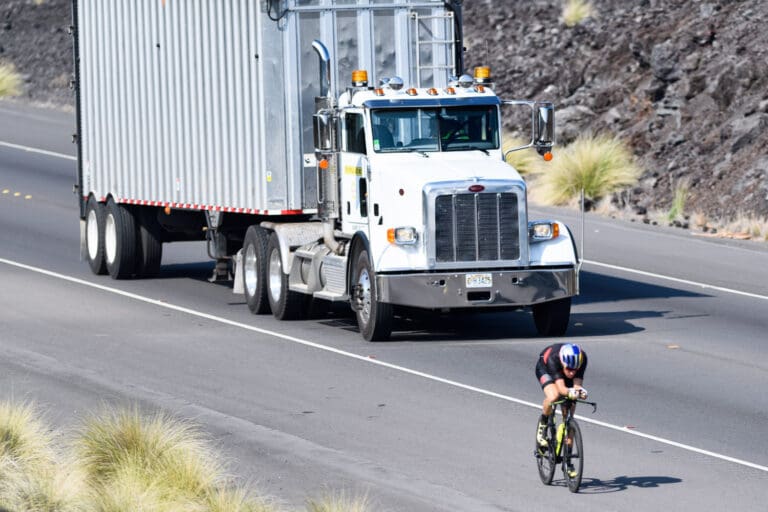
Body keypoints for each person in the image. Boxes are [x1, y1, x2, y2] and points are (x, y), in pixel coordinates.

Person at [535, 343, 588, 456]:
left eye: (575, 369)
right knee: (554, 396)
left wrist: (581, 392)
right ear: (563, 363)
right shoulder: (554, 359)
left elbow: (577, 386)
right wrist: (571, 393)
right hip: (546, 369)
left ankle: (568, 459)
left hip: (562, 371)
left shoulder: (582, 359)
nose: (572, 372)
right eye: (569, 369)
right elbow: (562, 389)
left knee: (569, 415)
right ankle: (543, 423)